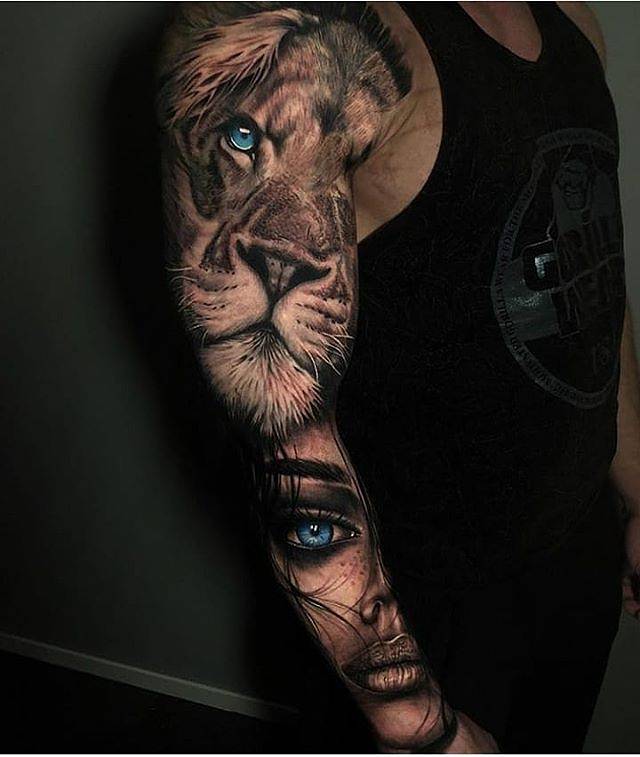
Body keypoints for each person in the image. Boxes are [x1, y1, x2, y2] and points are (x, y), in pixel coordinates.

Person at [157, 2, 639, 751]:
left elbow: (586, 277)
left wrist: (637, 491)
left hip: (576, 553)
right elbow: (277, 422)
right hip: (409, 606)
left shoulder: (572, 18)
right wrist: (412, 719)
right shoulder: (293, 30)